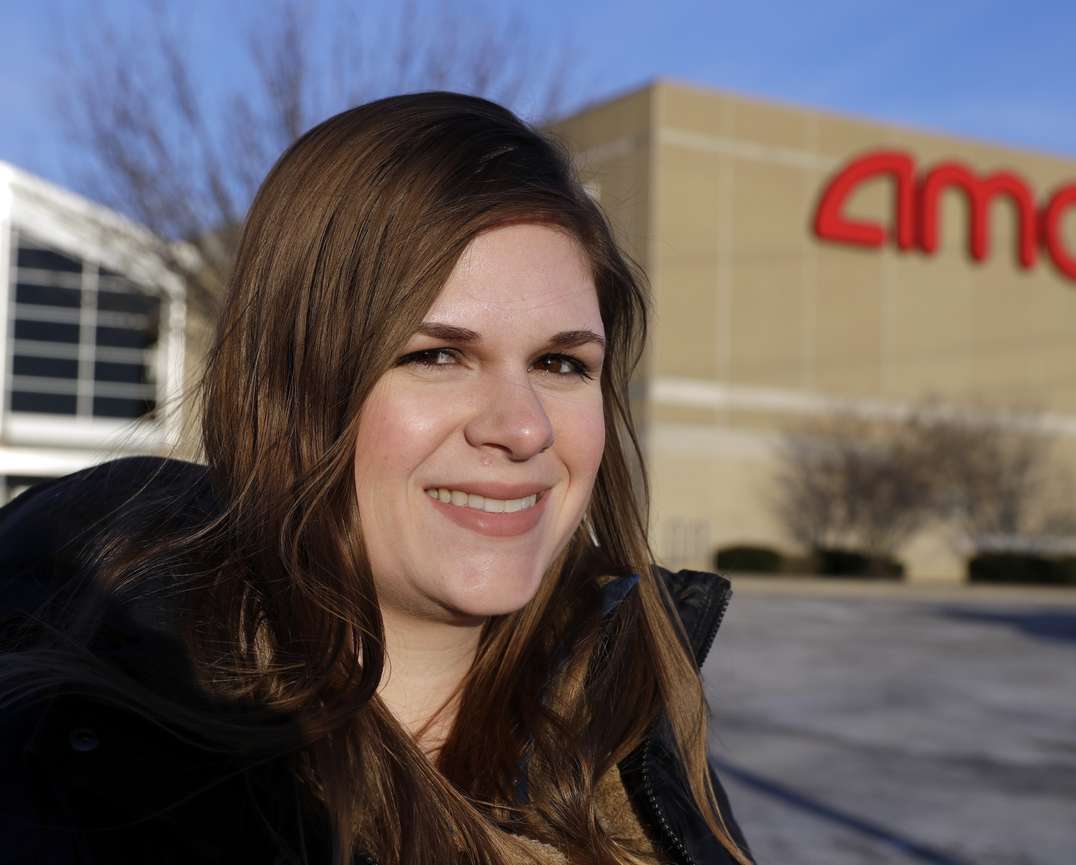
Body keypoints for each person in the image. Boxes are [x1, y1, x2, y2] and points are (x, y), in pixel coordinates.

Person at [0, 92, 755, 865]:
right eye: (435, 355)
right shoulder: (71, 795)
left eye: (560, 363)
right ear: (292, 391)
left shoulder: (635, 741)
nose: (523, 427)